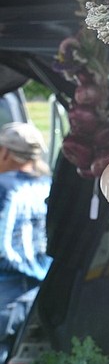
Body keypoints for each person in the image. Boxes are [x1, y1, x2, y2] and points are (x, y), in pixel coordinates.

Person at [0, 123, 51, 336]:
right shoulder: (48, 183)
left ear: (5, 152)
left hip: (6, 291)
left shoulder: (3, 186)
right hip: (39, 288)